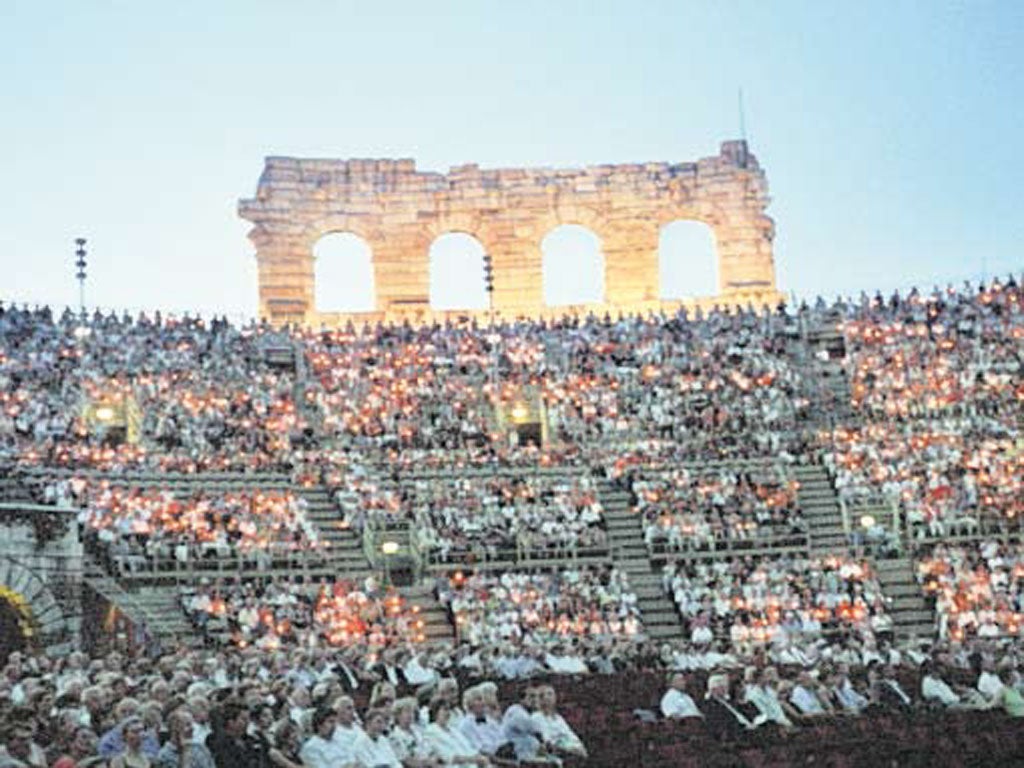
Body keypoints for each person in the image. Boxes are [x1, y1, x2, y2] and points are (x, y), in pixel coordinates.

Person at [424, 701, 488, 768]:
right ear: (435, 712)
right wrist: (473, 759)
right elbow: (448, 757)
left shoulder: (453, 729)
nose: (448, 713)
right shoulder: (431, 731)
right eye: (445, 709)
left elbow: (469, 747)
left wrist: (479, 758)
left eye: (449, 709)